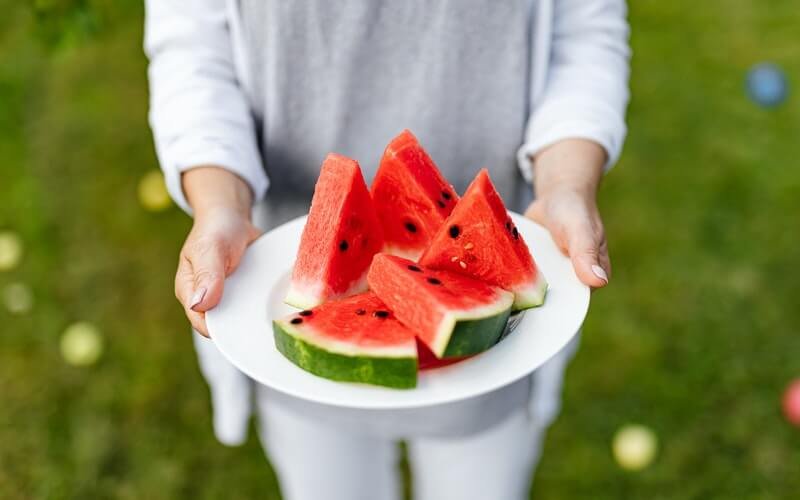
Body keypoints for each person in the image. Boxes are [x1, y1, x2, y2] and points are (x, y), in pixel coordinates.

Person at [145, 1, 629, 499]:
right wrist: (219, 203)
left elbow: (583, 36)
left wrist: (566, 184)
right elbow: (194, 49)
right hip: (283, 277)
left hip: (496, 343)